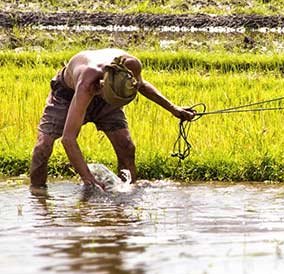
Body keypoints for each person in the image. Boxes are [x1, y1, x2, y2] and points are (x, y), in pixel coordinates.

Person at [30, 49, 196, 188]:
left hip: (107, 97)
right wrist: (89, 180)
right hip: (67, 96)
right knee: (42, 147)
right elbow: (68, 139)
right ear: (102, 86)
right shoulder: (88, 81)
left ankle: (127, 193)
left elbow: (142, 85)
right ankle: (38, 197)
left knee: (126, 147)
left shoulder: (129, 67)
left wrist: (174, 109)